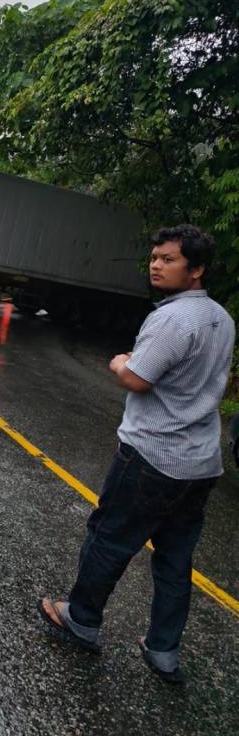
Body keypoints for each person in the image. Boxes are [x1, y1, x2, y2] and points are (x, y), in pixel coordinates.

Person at [39, 224, 235, 685]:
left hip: (152, 456)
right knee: (174, 558)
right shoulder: (222, 319)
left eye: (168, 259)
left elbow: (137, 378)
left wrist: (119, 361)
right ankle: (164, 649)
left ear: (196, 269)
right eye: (154, 257)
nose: (156, 264)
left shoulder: (171, 318)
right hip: (200, 463)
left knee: (110, 537)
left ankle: (82, 618)